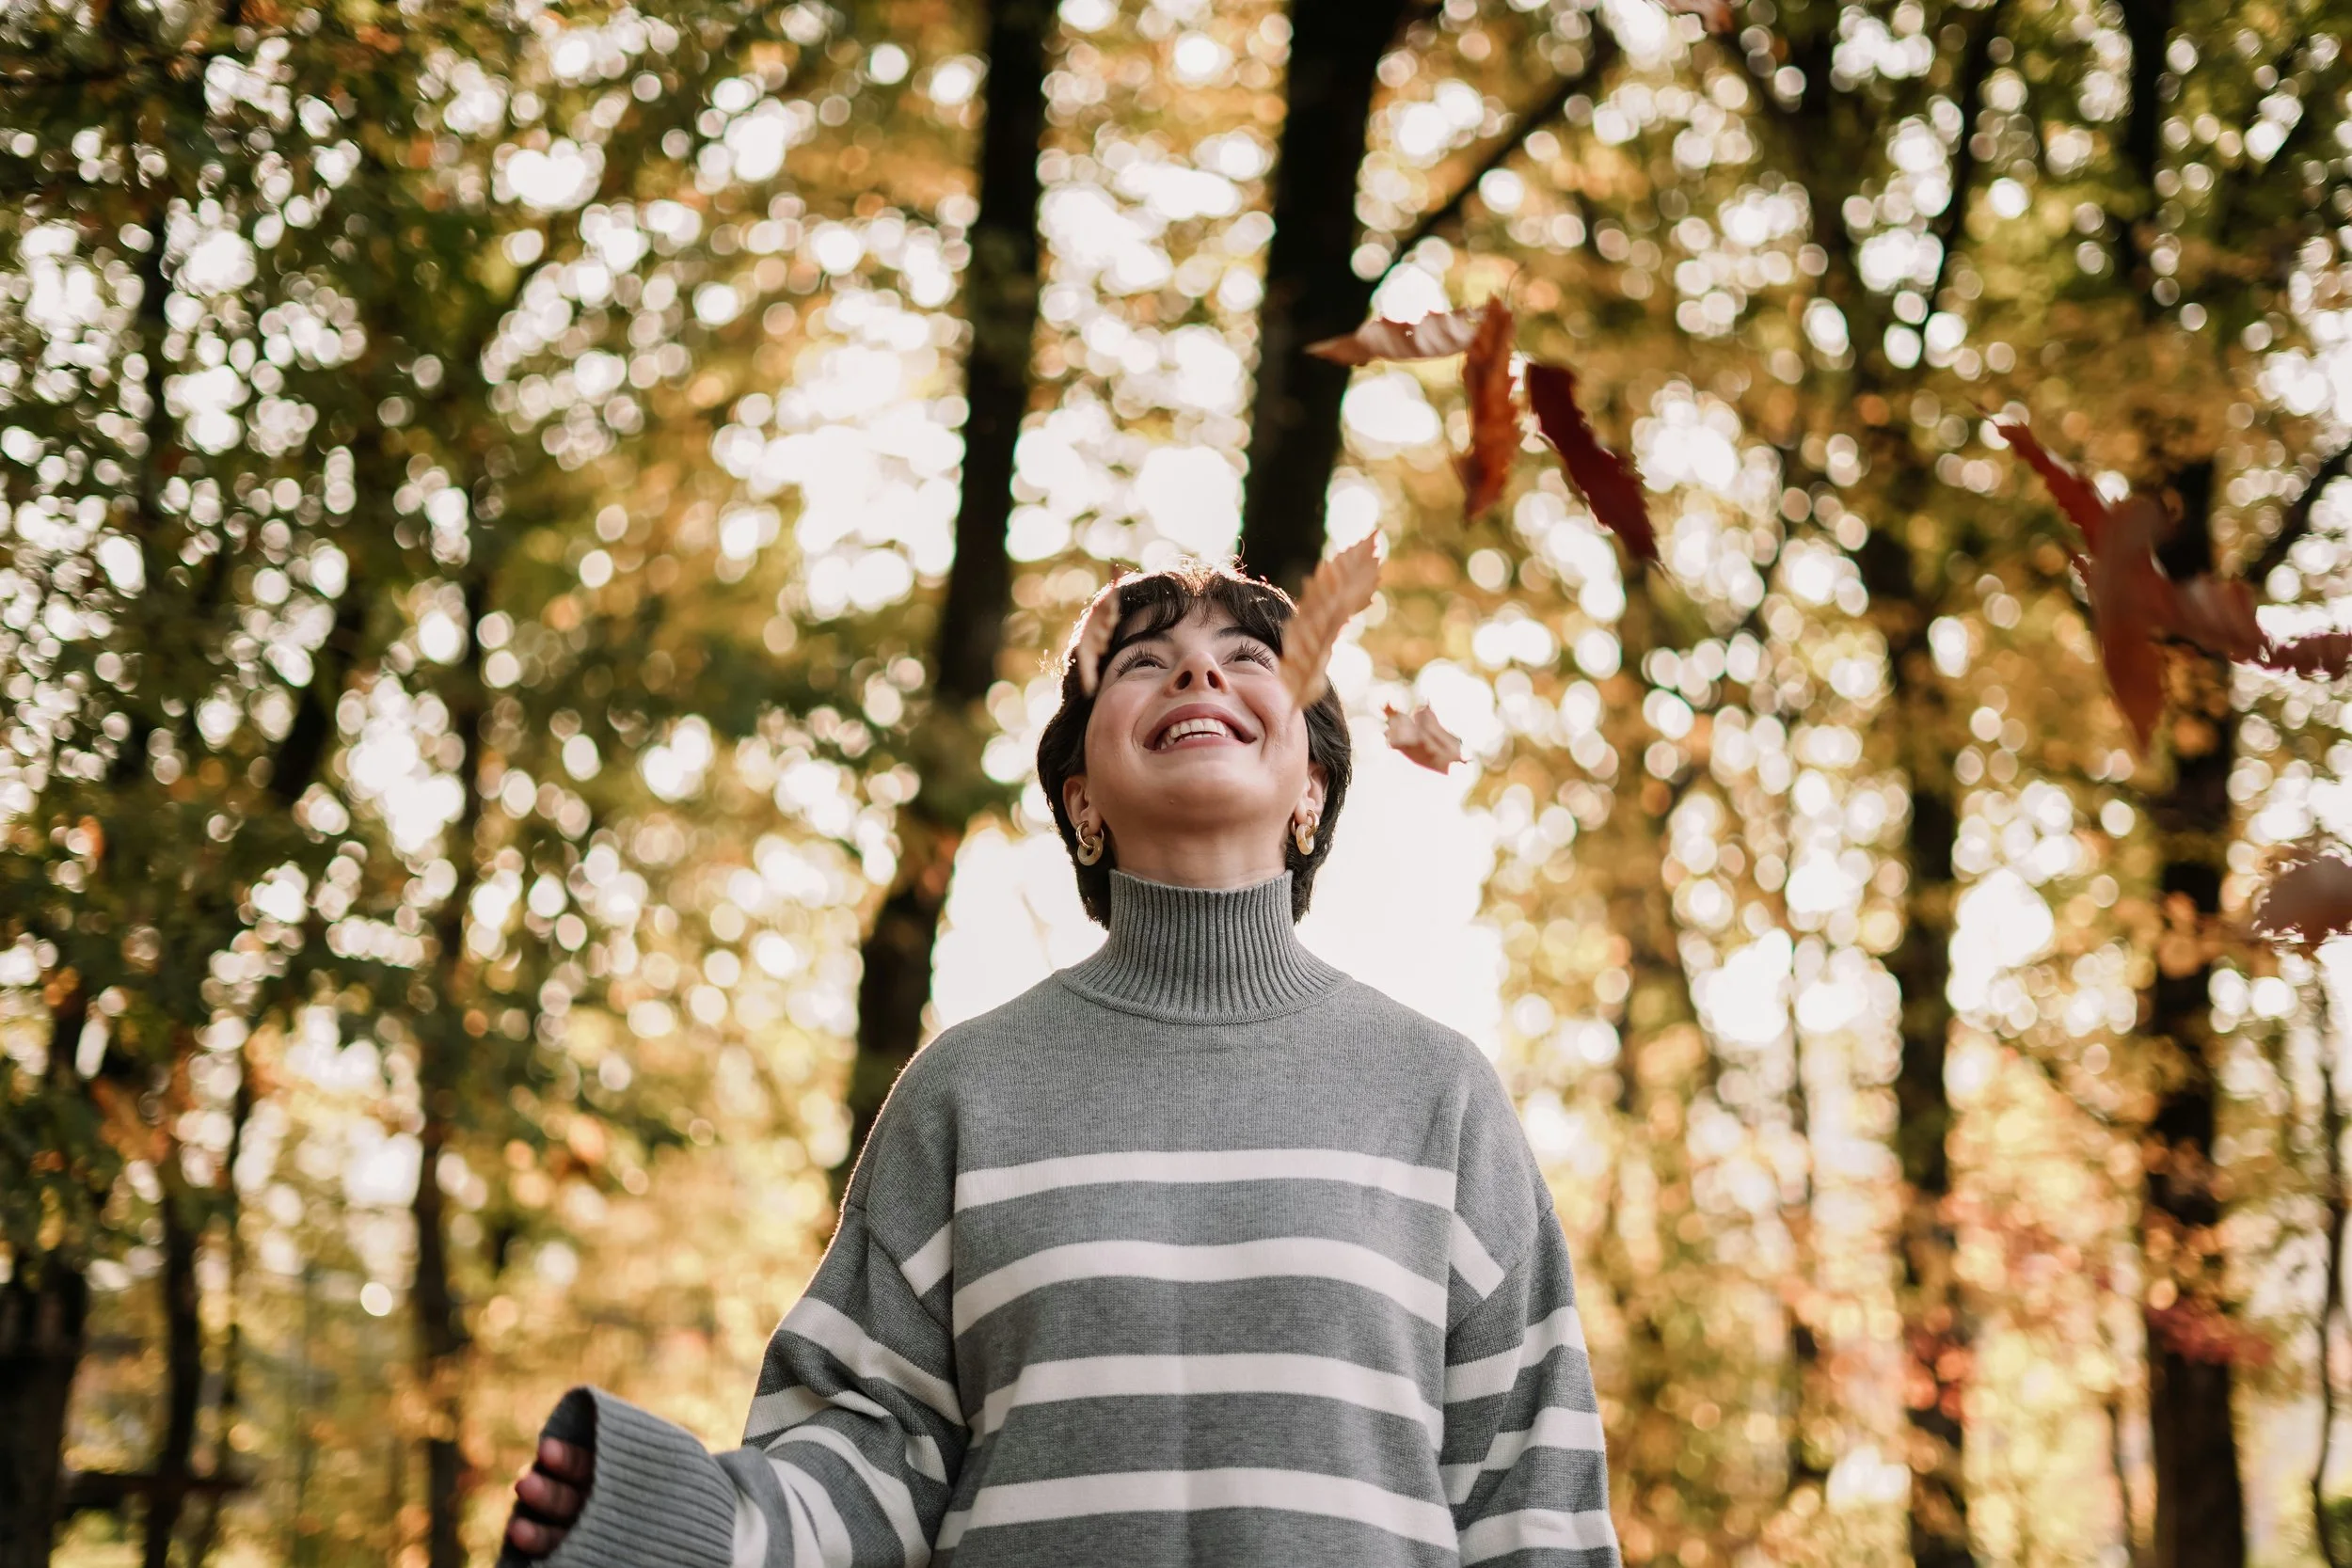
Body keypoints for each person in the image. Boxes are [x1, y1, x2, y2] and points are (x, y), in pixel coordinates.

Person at [501, 558, 1618, 1566]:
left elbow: (1533, 1503)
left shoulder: (1439, 1093)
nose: (1198, 672)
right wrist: (679, 1518)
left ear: (1312, 788)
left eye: (1249, 658)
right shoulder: (964, 1090)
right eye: (1144, 662)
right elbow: (873, 1452)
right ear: (1079, 797)